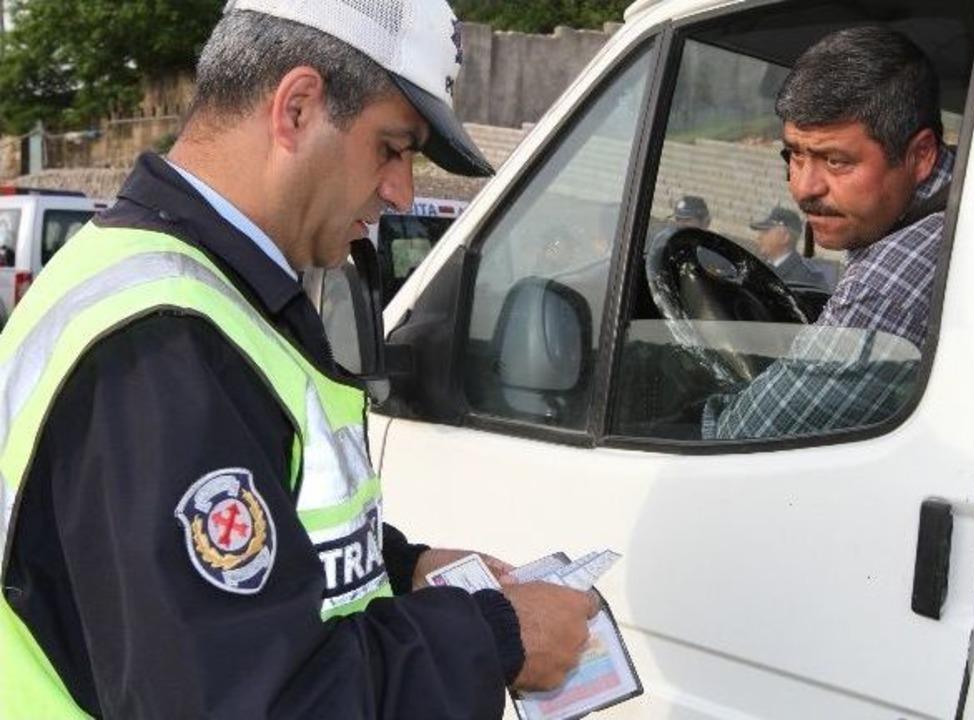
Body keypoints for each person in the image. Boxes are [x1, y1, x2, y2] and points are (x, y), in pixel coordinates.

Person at [0, 1, 597, 718]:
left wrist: (400, 567)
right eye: (391, 147)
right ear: (298, 108)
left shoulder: (198, 291)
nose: (401, 191)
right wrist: (496, 638)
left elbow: (243, 565)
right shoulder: (161, 348)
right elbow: (249, 700)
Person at [703, 25, 955, 440]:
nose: (803, 187)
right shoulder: (957, 193)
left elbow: (738, 437)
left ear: (920, 155)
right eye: (795, 155)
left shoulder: (885, 289)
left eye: (836, 161)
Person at [750, 205, 829, 291]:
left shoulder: (808, 278)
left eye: (766, 232)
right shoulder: (757, 267)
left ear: (785, 237)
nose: (759, 237)